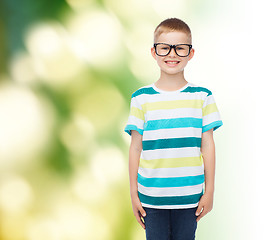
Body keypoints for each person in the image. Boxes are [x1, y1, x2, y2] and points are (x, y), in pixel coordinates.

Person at [124, 17, 223, 240]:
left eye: (180, 48)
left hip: (190, 198)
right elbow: (135, 148)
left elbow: (207, 145)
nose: (172, 54)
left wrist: (210, 191)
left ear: (190, 53)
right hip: (152, 198)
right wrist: (133, 193)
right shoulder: (141, 99)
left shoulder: (202, 96)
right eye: (165, 48)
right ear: (153, 52)